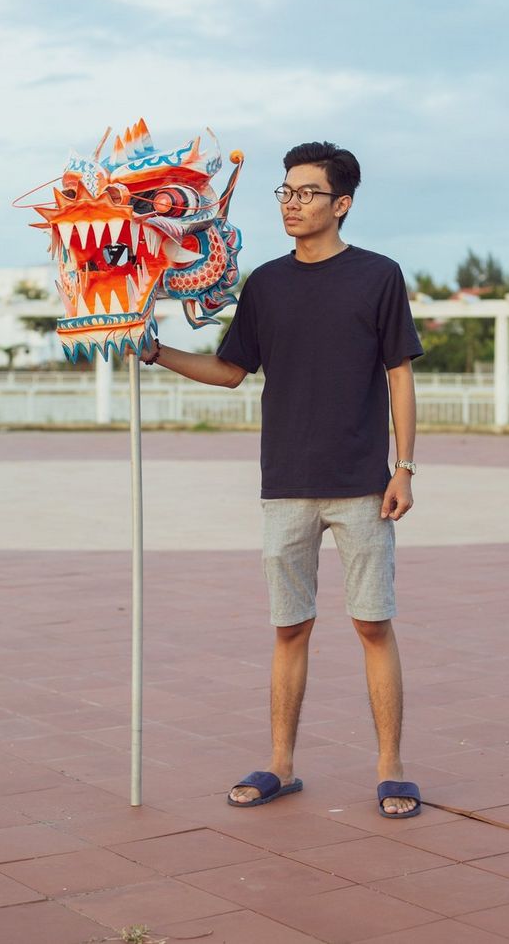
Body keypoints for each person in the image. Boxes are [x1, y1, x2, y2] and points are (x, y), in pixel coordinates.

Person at [139, 141, 424, 817]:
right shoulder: (265, 284)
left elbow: (399, 375)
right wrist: (155, 352)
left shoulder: (379, 276)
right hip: (285, 484)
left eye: (307, 193)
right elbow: (230, 371)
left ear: (341, 204)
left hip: (362, 484)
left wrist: (404, 467)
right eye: (286, 191)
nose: (292, 203)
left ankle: (391, 768)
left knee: (372, 625)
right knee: (289, 628)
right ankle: (280, 764)